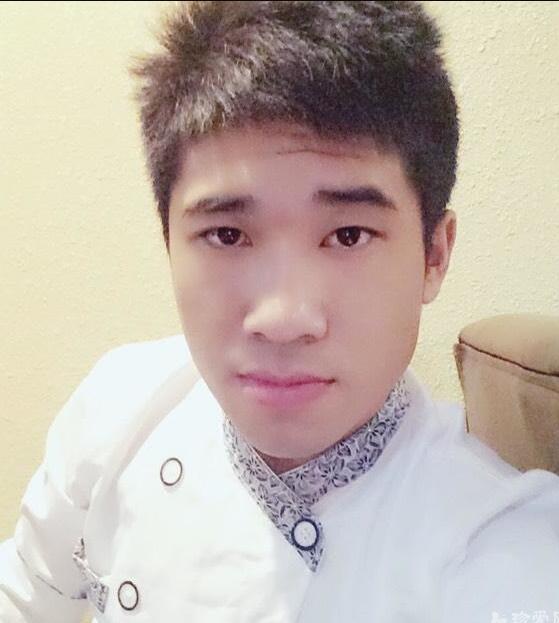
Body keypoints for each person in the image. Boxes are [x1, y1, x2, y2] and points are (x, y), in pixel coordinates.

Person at [1, 1, 558, 621]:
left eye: (348, 234)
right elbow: (23, 592)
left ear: (434, 255)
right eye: (227, 235)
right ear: (169, 243)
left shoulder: (504, 554)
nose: (284, 320)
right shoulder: (122, 408)